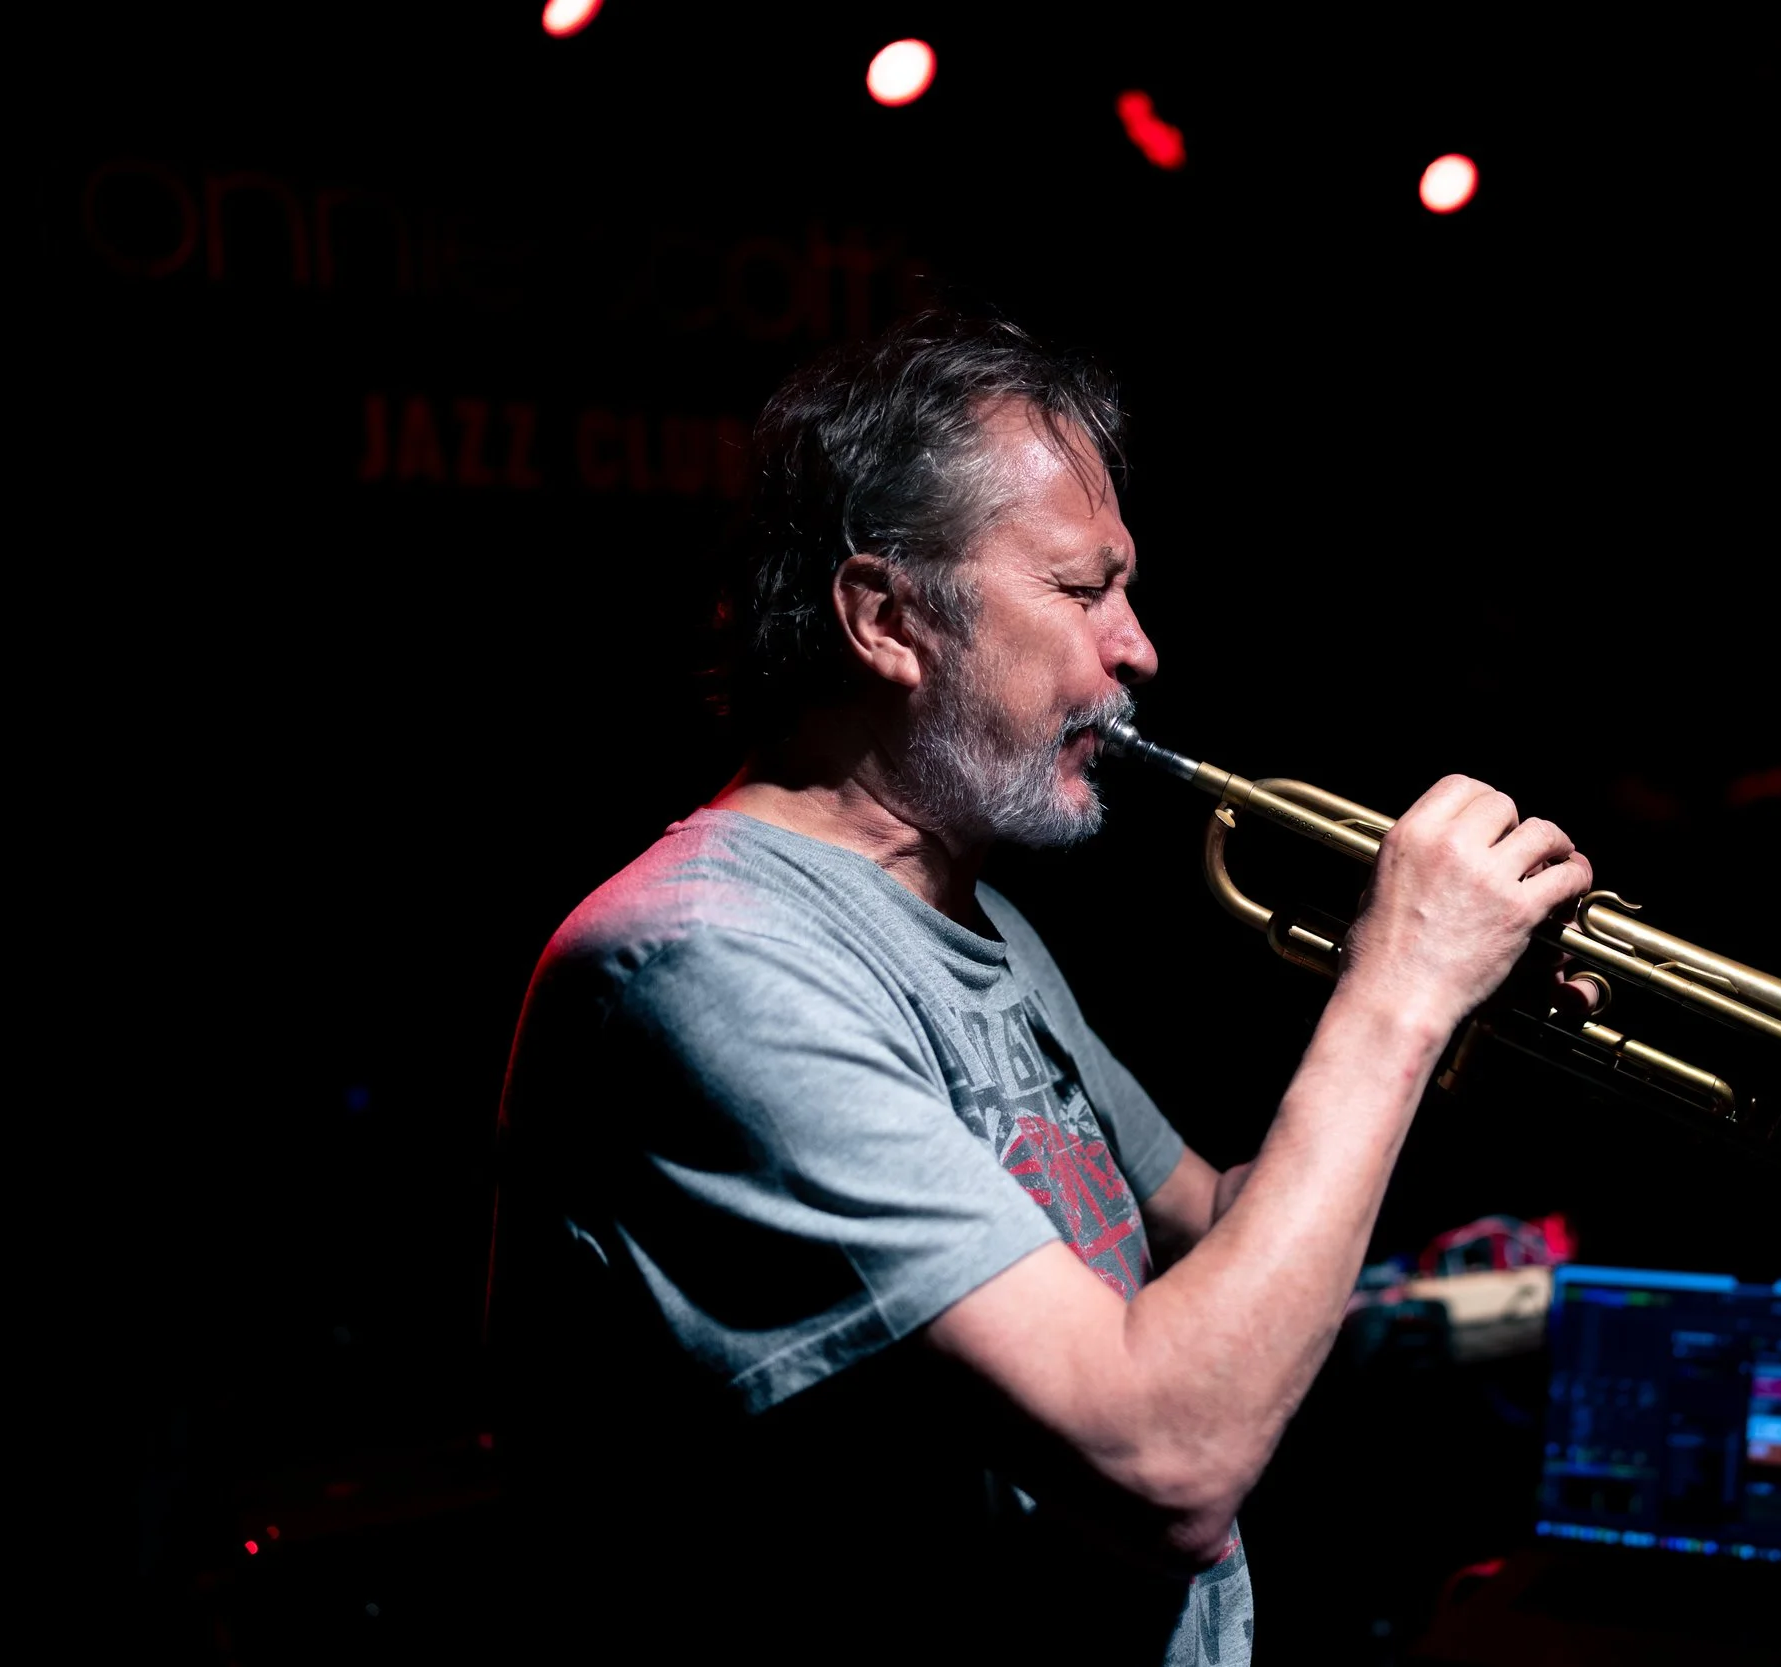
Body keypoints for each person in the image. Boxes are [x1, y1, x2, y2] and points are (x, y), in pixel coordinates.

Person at [485, 315, 1592, 1662]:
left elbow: (1215, 1228)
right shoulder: (703, 962)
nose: (1140, 649)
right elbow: (1165, 1450)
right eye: (1081, 590)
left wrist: (1450, 1015)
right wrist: (1394, 999)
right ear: (886, 618)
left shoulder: (977, 917)